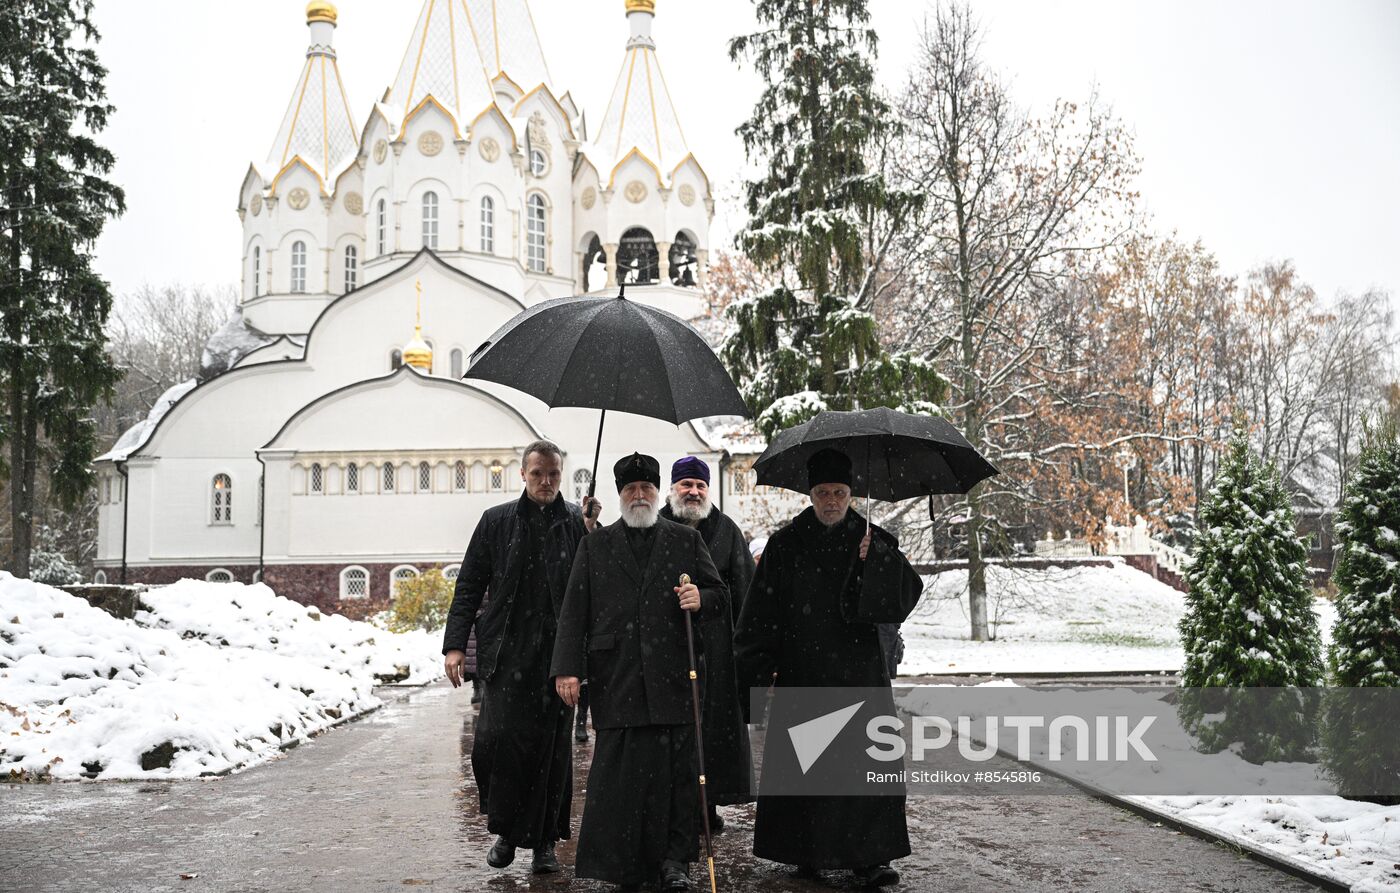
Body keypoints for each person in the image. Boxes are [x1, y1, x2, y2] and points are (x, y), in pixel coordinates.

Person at [733, 448, 924, 888]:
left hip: (860, 675)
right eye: (823, 493)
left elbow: (904, 598)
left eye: (839, 493)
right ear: (811, 495)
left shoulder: (873, 540)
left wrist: (874, 562)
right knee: (809, 771)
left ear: (851, 494)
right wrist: (759, 675)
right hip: (805, 672)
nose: (832, 501)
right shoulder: (784, 545)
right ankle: (808, 850)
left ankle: (871, 856)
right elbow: (759, 617)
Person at [551, 453, 728, 892]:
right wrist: (567, 670)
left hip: (673, 675)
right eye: (630, 489)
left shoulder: (685, 540)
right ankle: (618, 861)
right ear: (621, 495)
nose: (639, 496)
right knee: (620, 777)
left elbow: (721, 595)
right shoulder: (595, 545)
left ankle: (674, 860)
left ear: (656, 493)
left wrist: (699, 598)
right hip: (619, 676)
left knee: (675, 776)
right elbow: (574, 612)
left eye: (646, 488)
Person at [442, 440, 600, 874]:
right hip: (506, 654)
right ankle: (507, 830)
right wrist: (456, 643)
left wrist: (591, 531)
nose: (546, 482)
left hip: (557, 657)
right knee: (495, 744)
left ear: (561, 475)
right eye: (538, 474)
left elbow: (593, 584)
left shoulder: (574, 521)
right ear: (523, 474)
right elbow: (470, 583)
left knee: (551, 753)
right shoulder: (496, 522)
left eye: (553, 474)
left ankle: (545, 842)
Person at [658, 456, 754, 829]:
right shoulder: (657, 525)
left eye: (700, 485)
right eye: (686, 485)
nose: (693, 492)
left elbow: (746, 591)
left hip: (716, 650)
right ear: (673, 488)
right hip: (668, 647)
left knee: (711, 732)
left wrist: (748, 645)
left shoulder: (726, 530)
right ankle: (675, 806)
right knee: (674, 731)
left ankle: (708, 803)